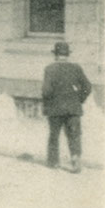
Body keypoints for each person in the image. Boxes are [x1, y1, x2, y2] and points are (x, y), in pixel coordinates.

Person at [42, 41, 92, 173]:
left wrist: (47, 104)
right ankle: (75, 159)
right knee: (74, 134)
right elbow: (87, 87)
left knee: (54, 135)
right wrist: (79, 99)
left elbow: (46, 91)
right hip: (73, 108)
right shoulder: (76, 68)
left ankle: (53, 162)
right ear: (67, 55)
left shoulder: (50, 69)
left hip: (55, 108)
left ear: (56, 55)